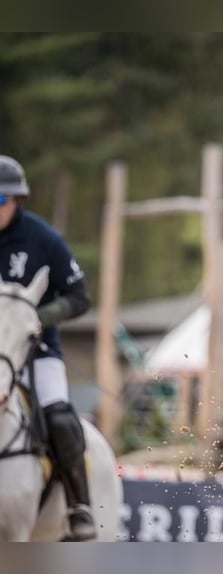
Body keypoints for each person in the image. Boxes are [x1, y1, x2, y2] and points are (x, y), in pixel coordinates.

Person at [0, 155, 96, 541]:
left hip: (36, 350)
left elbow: (79, 297)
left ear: (17, 200)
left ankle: (79, 506)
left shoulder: (44, 240)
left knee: (58, 414)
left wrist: (39, 316)